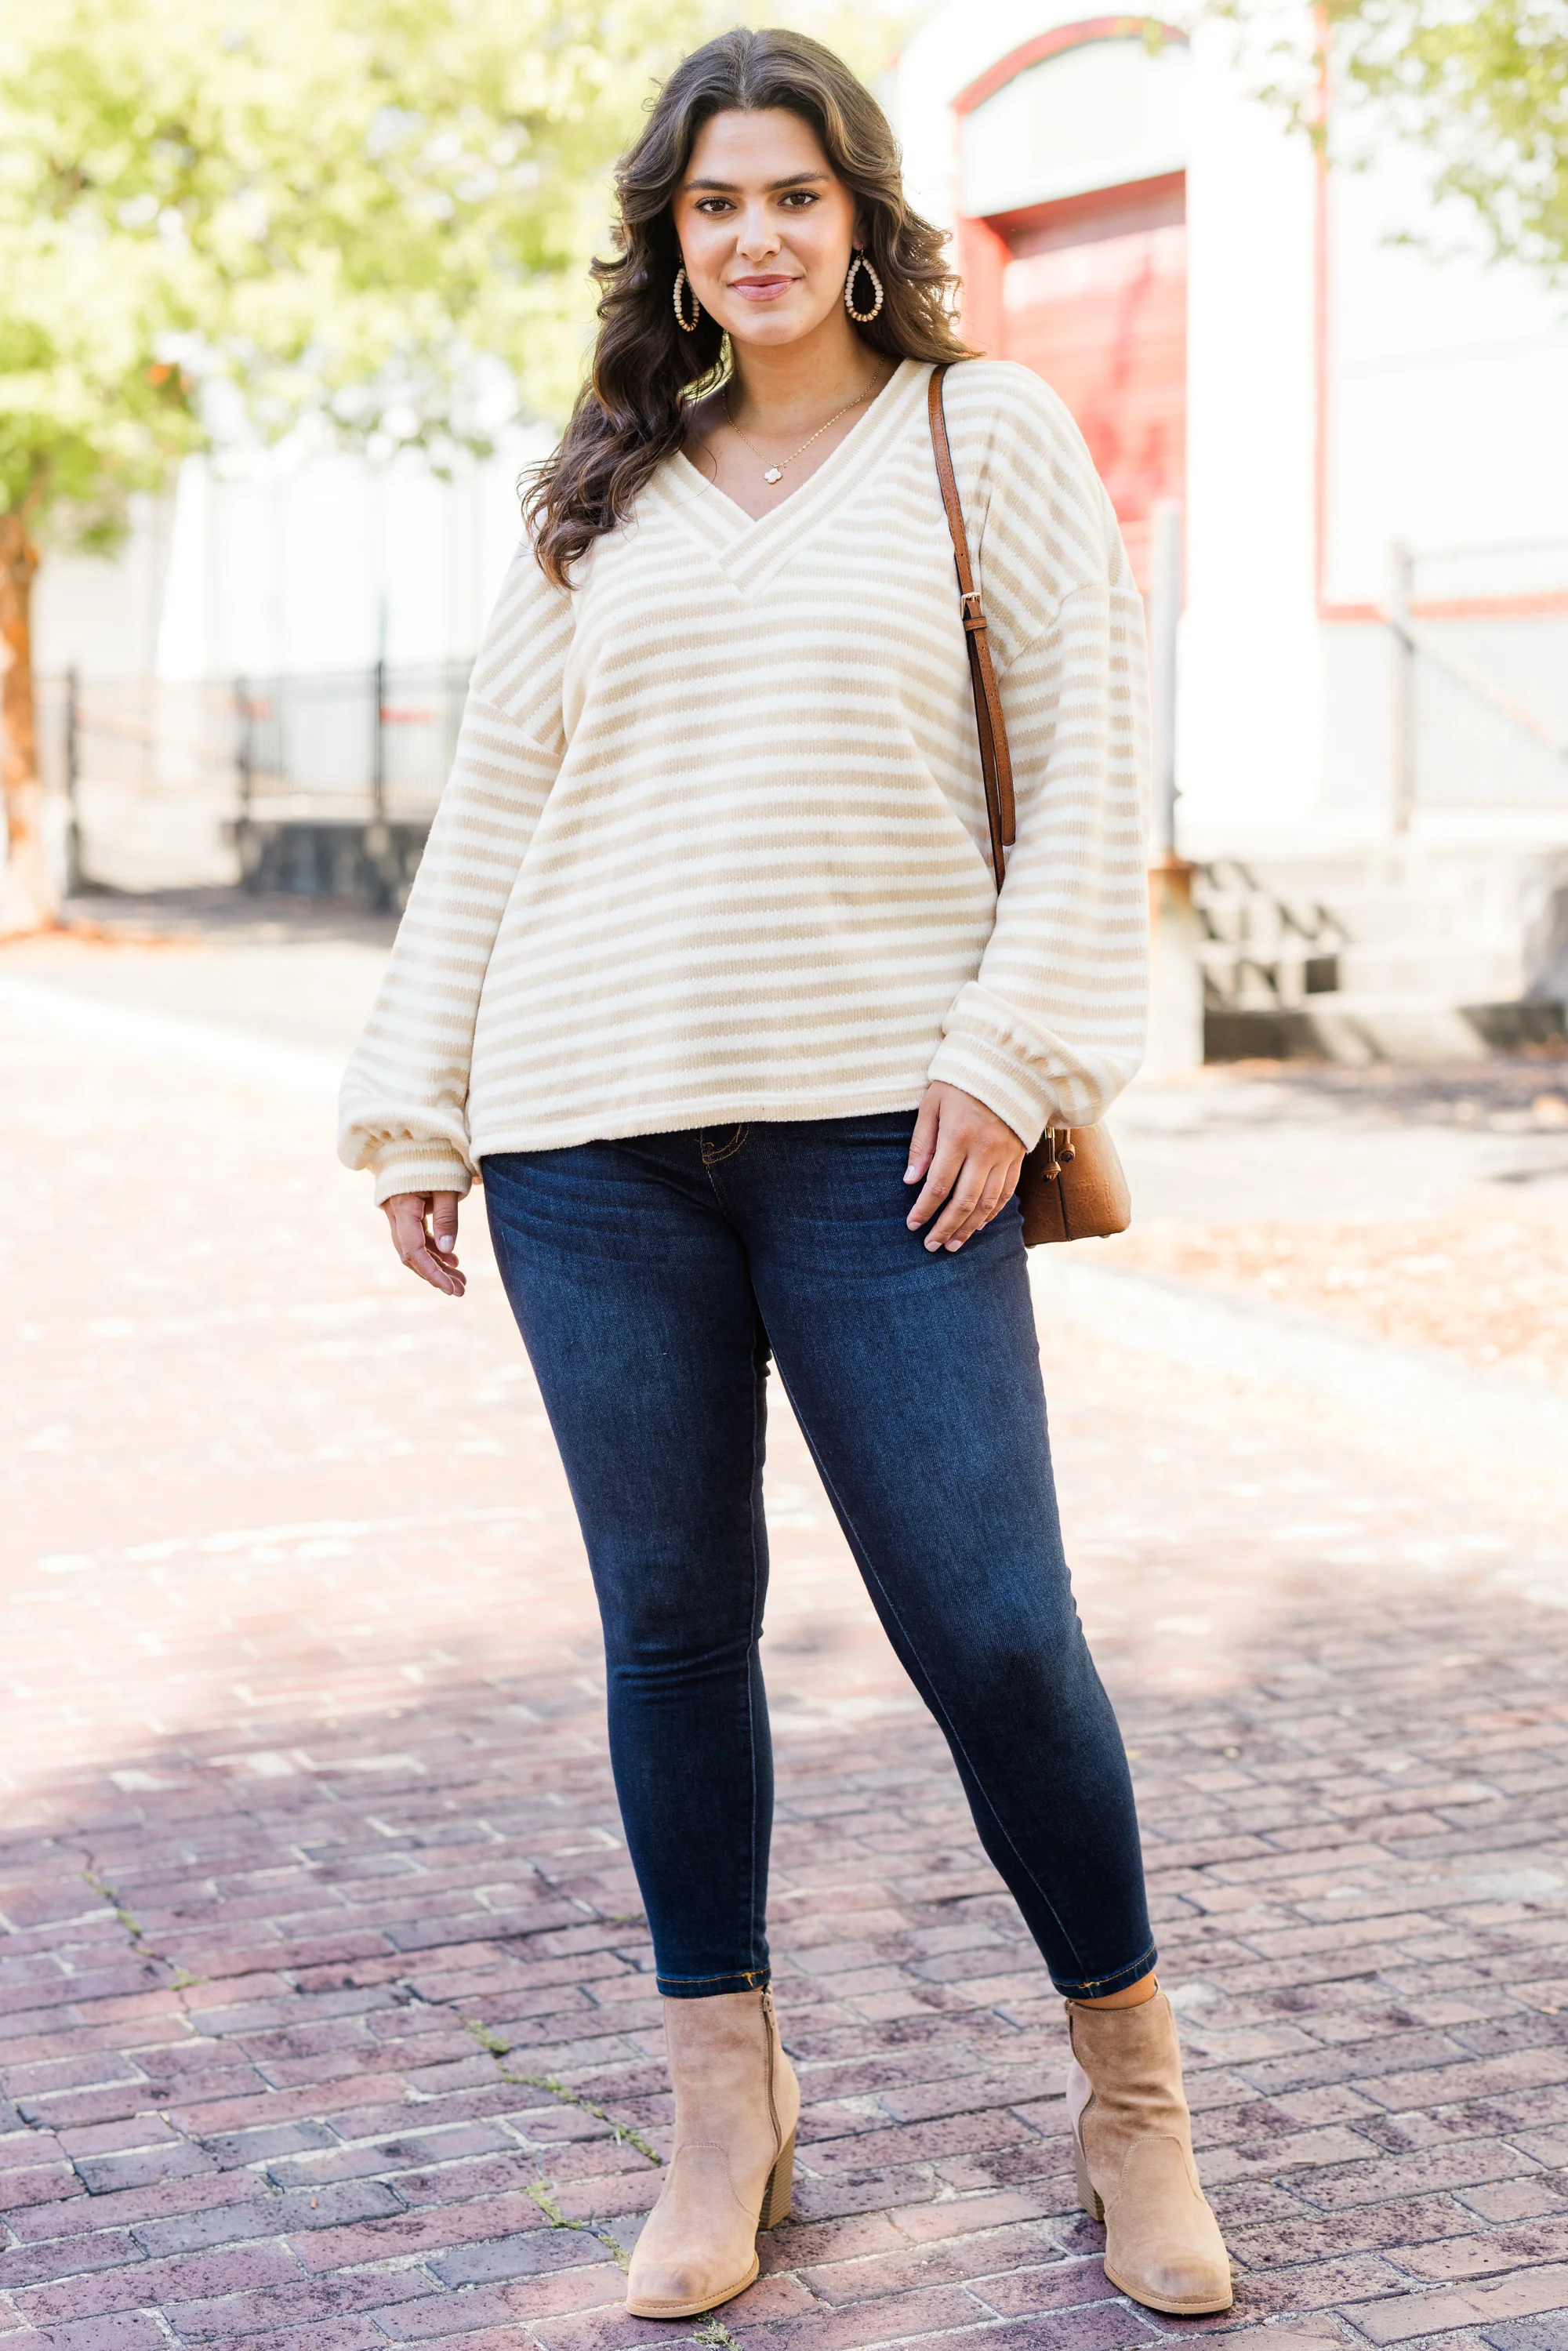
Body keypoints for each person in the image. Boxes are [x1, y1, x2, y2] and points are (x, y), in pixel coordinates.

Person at [339, 24, 1232, 2326]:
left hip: (891, 1138)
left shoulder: (980, 432)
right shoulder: (598, 491)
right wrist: (416, 1099)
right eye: (712, 202)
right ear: (670, 236)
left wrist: (1010, 1059)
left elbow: (1090, 768)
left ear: (861, 219)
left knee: (994, 1621)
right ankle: (723, 2102)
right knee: (670, 1626)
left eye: (794, 196)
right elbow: (498, 809)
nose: (753, 236)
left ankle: (1132, 2094)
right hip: (590, 1138)